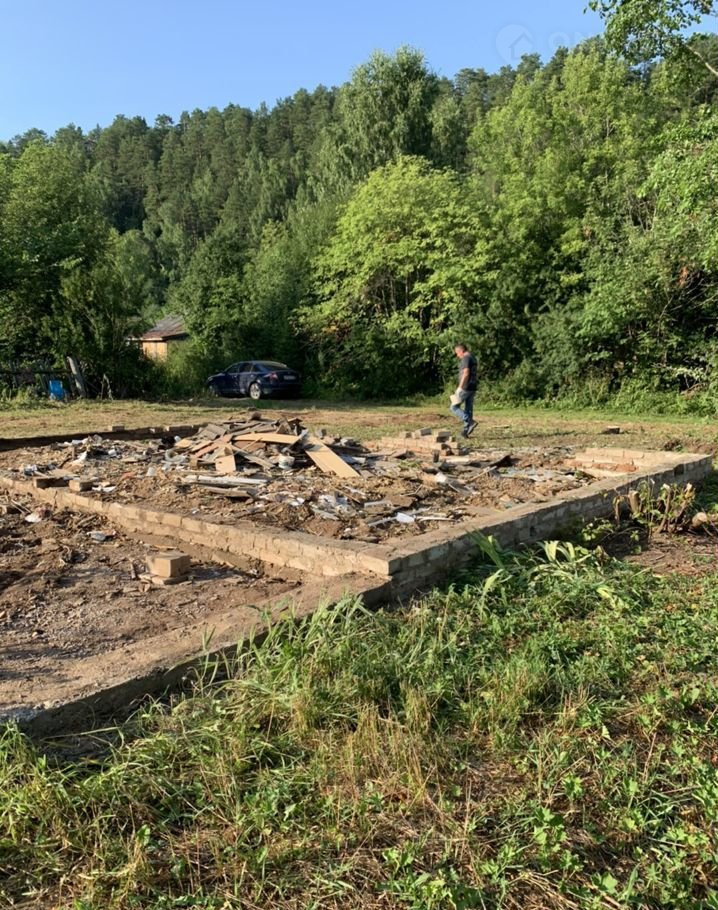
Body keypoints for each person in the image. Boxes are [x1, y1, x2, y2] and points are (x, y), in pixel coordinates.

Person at [449, 343, 478, 438]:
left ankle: (470, 421)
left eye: (457, 353)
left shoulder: (466, 358)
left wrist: (460, 387)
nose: (457, 356)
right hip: (473, 386)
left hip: (465, 387)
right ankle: (465, 432)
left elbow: (466, 373)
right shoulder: (473, 357)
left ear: (461, 351)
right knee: (468, 409)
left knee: (453, 407)